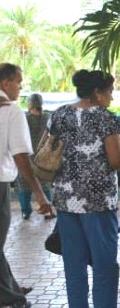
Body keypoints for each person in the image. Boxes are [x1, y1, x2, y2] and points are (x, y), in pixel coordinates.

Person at [49, 69, 120, 308]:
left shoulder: (59, 114)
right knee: (104, 263)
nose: (111, 97)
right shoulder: (104, 117)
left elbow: (49, 150)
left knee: (73, 263)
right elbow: (117, 161)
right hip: (98, 203)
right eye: (109, 91)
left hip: (65, 200)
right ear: (97, 92)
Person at [0, 63, 52, 308]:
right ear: (5, 83)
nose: (20, 88)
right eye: (18, 82)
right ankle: (14, 300)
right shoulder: (11, 111)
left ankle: (10, 288)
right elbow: (21, 157)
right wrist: (40, 195)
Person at [16, 93, 53, 221]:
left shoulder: (24, 118)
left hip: (25, 156)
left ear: (29, 104)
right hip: (42, 157)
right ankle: (48, 211)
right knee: (45, 185)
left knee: (23, 183)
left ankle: (26, 211)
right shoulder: (47, 117)